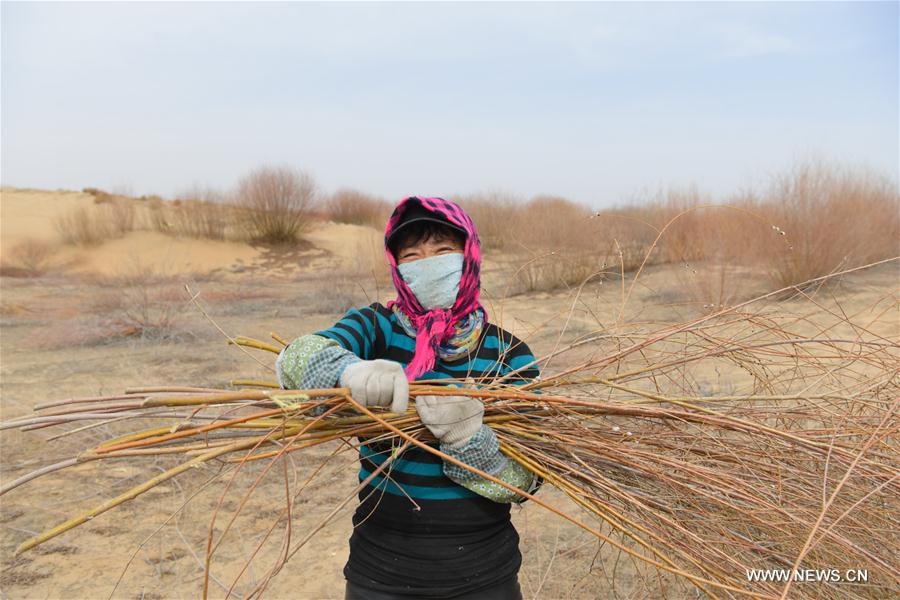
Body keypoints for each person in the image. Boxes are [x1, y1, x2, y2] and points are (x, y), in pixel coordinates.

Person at [276, 196, 541, 599]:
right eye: (412, 255)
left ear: (469, 255)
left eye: (442, 251)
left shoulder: (509, 354)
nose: (426, 264)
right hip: (381, 573)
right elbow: (298, 358)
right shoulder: (376, 328)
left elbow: (526, 482)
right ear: (397, 267)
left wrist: (471, 442)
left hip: (485, 576)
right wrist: (349, 371)